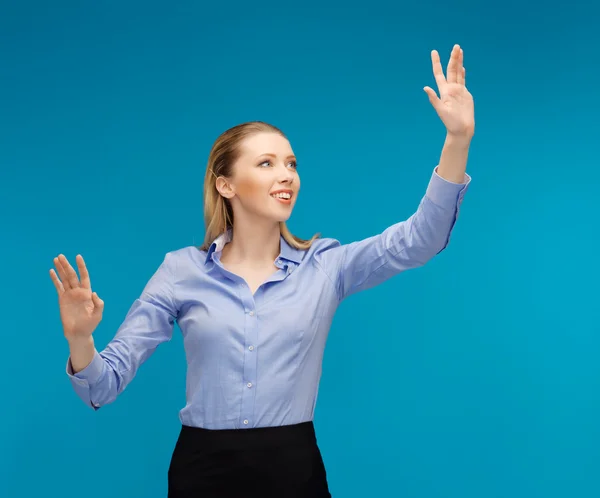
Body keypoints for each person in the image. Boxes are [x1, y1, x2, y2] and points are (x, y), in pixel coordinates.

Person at [49, 44, 474, 497]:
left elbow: (420, 239)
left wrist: (457, 140)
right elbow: (102, 386)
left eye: (291, 163)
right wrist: (80, 339)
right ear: (225, 183)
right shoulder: (180, 271)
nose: (287, 174)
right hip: (202, 473)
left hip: (294, 471)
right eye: (267, 163)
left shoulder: (325, 265)